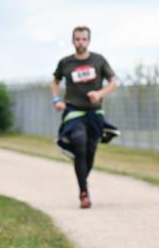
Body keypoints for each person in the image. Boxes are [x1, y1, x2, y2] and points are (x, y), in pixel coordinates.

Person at [51, 26, 120, 208]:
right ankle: (84, 193)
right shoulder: (65, 63)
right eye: (77, 39)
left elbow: (114, 82)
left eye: (83, 39)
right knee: (79, 142)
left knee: (90, 151)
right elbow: (55, 81)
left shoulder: (98, 60)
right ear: (73, 40)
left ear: (88, 41)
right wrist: (57, 99)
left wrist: (100, 93)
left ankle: (82, 181)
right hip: (74, 112)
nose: (80, 42)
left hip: (94, 113)